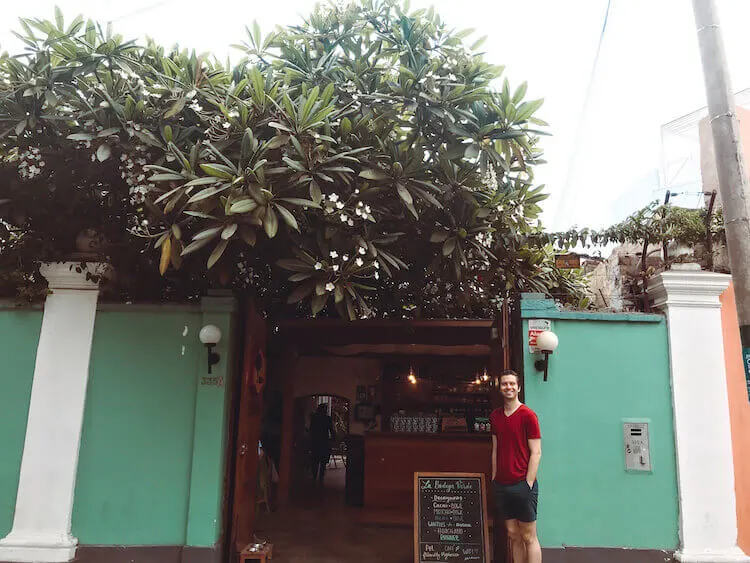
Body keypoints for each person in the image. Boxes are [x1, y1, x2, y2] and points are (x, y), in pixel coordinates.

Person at [490, 370, 542, 563]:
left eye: (512, 384)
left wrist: (527, 483)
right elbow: (495, 449)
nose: (508, 387)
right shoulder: (495, 417)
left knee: (529, 536)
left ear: (518, 387)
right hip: (502, 485)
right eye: (504, 384)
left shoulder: (528, 415)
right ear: (500, 388)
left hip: (522, 484)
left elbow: (536, 451)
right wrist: (494, 478)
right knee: (513, 534)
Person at [308, 403, 335, 485]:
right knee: (323, 460)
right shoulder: (328, 419)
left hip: (315, 441)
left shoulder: (314, 418)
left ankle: (314, 475)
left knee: (315, 460)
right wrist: (334, 439)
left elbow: (311, 429)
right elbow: (331, 430)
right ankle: (321, 477)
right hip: (324, 441)